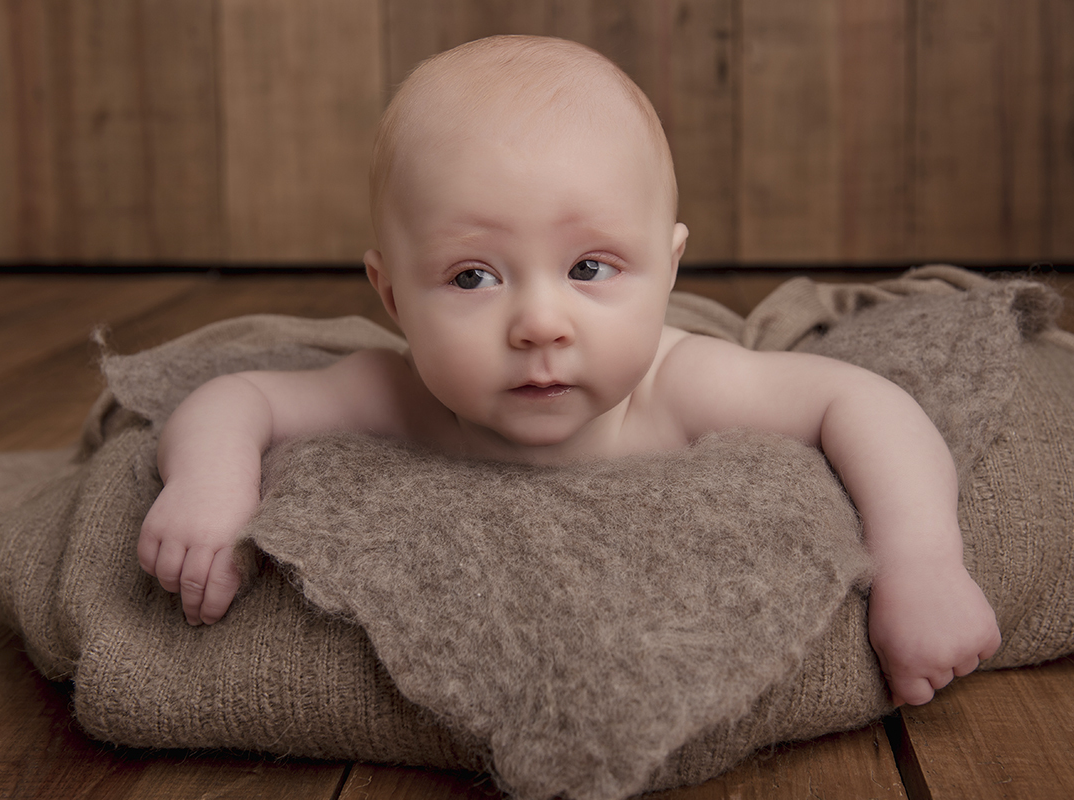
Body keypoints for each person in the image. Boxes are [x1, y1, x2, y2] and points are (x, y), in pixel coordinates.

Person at [138, 35, 1000, 706]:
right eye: (472, 277)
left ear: (667, 270)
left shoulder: (687, 385)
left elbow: (864, 401)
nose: (541, 324)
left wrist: (921, 563)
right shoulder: (398, 393)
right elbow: (236, 395)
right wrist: (210, 490)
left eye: (591, 267)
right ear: (392, 295)